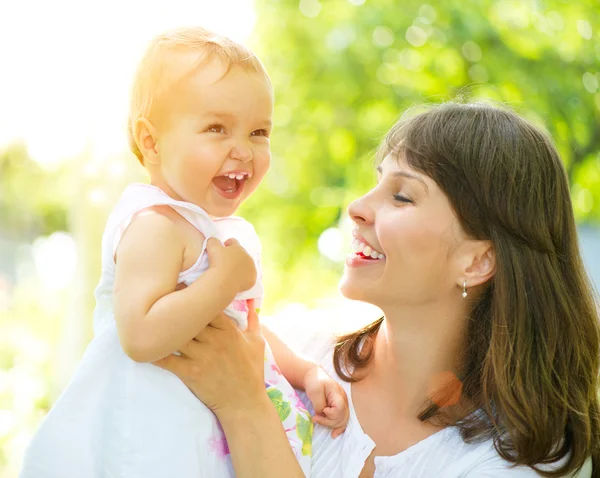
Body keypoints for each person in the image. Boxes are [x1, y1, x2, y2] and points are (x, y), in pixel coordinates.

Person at [157, 102, 600, 478]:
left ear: (477, 260)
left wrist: (246, 410)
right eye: (377, 181)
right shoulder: (288, 355)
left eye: (403, 197)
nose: (357, 208)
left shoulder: (512, 462)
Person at [20, 27, 349, 478]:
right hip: (145, 438)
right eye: (216, 128)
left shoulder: (208, 229)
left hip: (196, 436)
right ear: (151, 142)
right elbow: (141, 337)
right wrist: (224, 280)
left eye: (258, 132)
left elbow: (239, 322)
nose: (243, 149)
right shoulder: (154, 225)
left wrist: (304, 372)